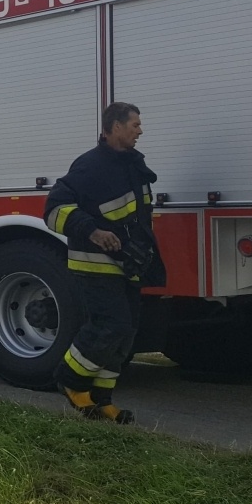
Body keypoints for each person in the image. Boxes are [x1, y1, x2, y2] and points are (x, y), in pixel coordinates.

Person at [43, 102, 165, 425]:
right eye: (135, 124)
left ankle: (101, 399)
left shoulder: (133, 165)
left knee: (127, 334)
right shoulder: (89, 167)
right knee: (110, 326)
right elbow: (53, 211)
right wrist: (93, 232)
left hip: (128, 266)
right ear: (114, 128)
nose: (140, 130)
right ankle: (71, 379)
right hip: (94, 266)